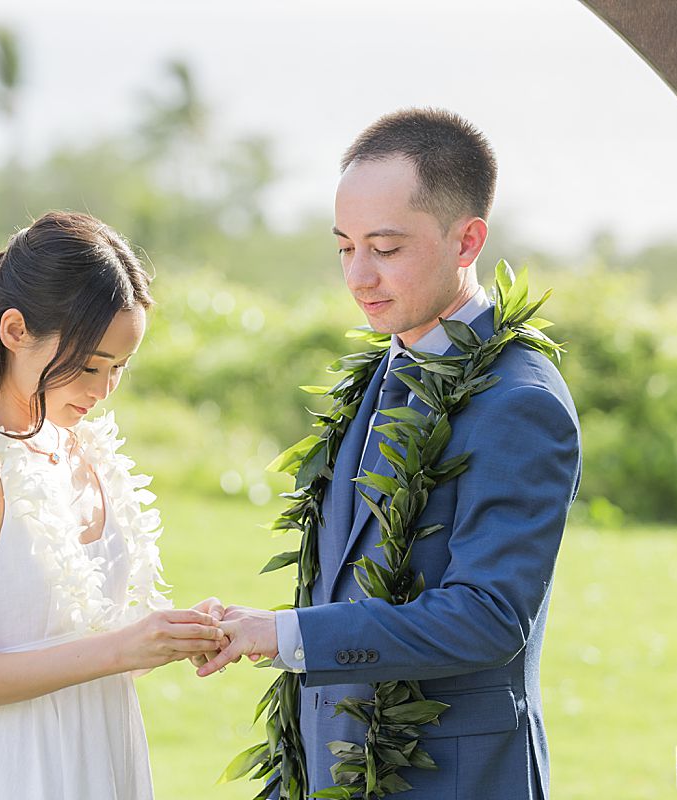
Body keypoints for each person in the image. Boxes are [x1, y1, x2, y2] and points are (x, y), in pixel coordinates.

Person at [198, 108, 582, 799]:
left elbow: (489, 618)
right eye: (345, 247)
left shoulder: (519, 400)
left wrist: (285, 634)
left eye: (386, 248)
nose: (358, 276)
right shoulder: (385, 365)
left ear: (467, 241)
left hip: (454, 780)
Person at [0, 210, 226, 799]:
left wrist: (169, 635)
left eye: (119, 367)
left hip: (103, 757)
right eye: (90, 365)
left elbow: (95, 641)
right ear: (16, 330)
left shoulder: (86, 450)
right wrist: (123, 647)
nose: (102, 390)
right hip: (12, 771)